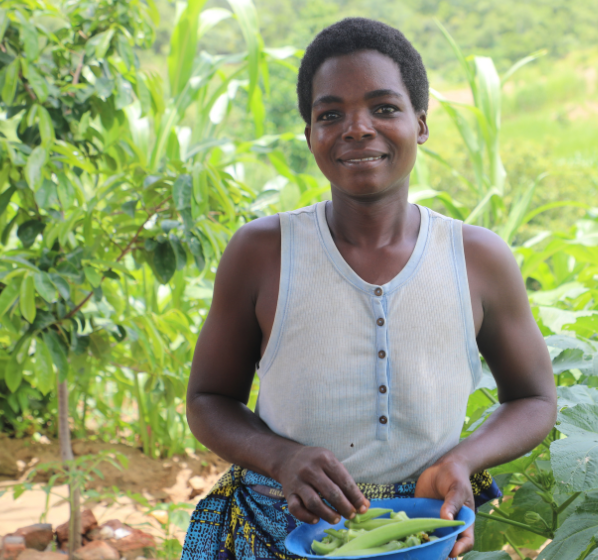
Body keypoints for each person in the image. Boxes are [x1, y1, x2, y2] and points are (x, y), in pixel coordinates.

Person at [181, 17, 556, 560]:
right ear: (309, 135)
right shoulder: (262, 253)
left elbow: (535, 397)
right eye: (330, 114)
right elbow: (208, 399)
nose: (357, 128)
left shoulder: (477, 258)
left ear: (421, 124)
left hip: (425, 532)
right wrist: (282, 458)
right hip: (279, 527)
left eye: (384, 108)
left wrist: (463, 460)